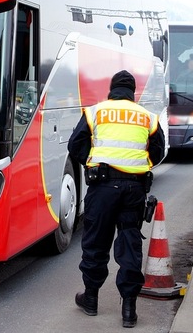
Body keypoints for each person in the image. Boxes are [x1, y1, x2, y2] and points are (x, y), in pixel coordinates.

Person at [67, 70, 165, 328]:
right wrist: (136, 166)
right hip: (134, 189)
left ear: (112, 89)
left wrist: (93, 163)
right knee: (130, 242)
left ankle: (90, 299)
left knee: (95, 241)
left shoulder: (96, 112)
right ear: (132, 92)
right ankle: (129, 309)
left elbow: (75, 145)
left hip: (102, 187)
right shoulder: (147, 117)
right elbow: (158, 151)